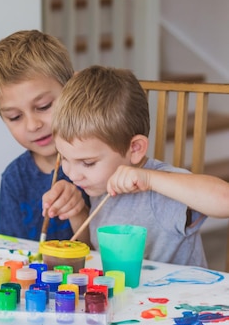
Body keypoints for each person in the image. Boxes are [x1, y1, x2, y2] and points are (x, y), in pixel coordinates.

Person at [51, 65, 229, 267]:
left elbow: (225, 199)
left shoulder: (161, 193)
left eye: (88, 163)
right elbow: (95, 256)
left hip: (178, 297)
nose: (72, 174)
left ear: (135, 148)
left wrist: (150, 179)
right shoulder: (98, 184)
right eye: (63, 158)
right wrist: (77, 213)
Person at [0, 30, 89, 242]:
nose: (33, 125)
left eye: (43, 106)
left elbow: (105, 259)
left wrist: (78, 212)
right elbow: (9, 250)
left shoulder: (98, 163)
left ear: (73, 89)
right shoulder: (14, 179)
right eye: (15, 117)